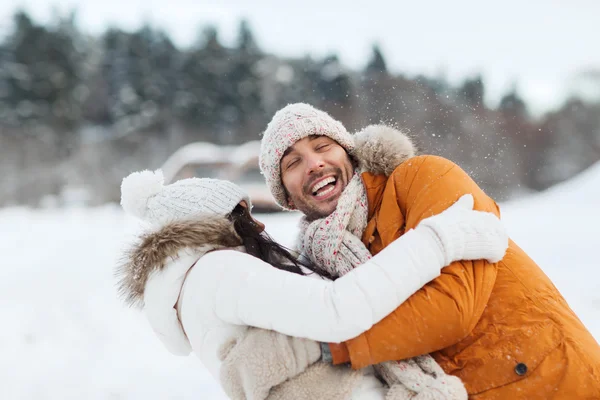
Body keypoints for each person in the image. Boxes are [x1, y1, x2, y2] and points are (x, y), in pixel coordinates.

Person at [258, 102, 600, 399]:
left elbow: (453, 306)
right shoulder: (315, 267)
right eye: (293, 163)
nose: (314, 164)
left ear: (348, 153)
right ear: (286, 197)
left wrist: (333, 346)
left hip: (554, 382)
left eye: (322, 146)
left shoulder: (422, 177)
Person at [116, 170, 508, 399]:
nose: (260, 225)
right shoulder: (217, 271)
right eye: (243, 215)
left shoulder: (189, 292)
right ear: (212, 224)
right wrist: (438, 240)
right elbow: (337, 311)